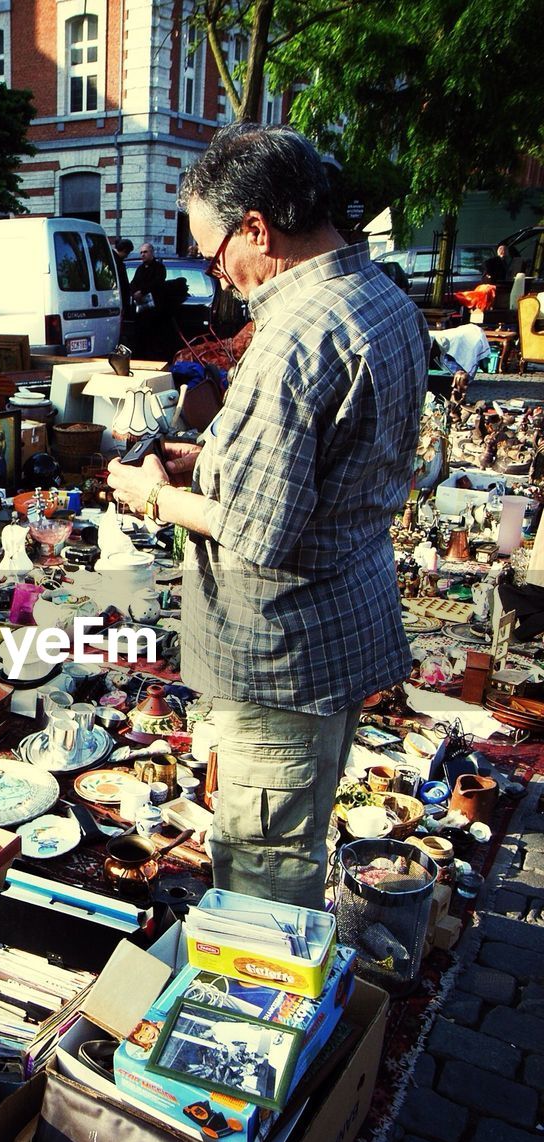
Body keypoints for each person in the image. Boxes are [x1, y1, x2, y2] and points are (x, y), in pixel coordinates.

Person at [107, 123, 430, 909]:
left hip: (284, 649)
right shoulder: (379, 296)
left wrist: (152, 493)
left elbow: (258, 533)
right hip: (342, 617)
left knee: (264, 859)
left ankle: (258, 1008)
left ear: (258, 227)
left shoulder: (297, 331)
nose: (215, 272)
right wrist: (207, 461)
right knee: (294, 826)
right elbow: (321, 461)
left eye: (214, 251)